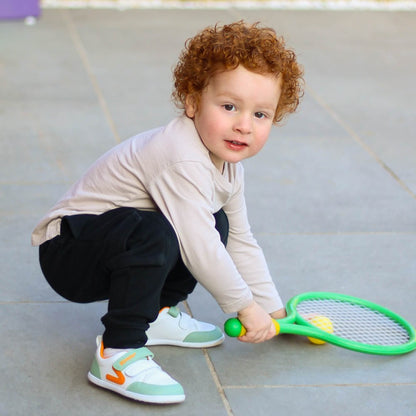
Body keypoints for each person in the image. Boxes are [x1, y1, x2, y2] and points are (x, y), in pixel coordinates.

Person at [31, 21, 304, 404]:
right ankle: (116, 352)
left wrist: (273, 309)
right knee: (164, 232)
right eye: (229, 107)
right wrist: (244, 307)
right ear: (192, 101)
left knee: (217, 221)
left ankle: (156, 312)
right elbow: (199, 247)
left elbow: (240, 239)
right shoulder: (182, 158)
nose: (244, 125)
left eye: (261, 115)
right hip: (69, 251)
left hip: (111, 241)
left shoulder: (228, 167)